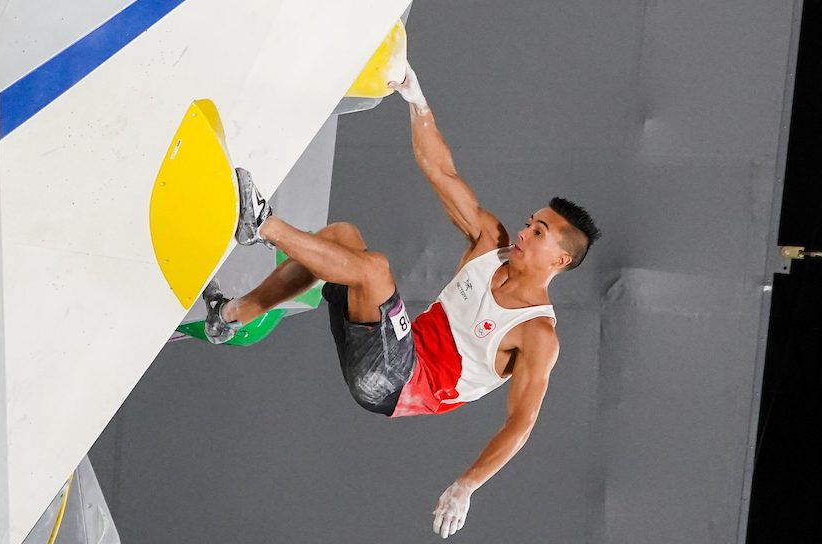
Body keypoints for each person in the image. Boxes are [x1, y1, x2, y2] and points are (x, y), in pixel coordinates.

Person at [202, 64, 601, 539]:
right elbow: (441, 170)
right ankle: (228, 317)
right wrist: (417, 100)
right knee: (342, 237)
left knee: (373, 269)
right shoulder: (488, 243)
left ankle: (260, 224)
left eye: (536, 232)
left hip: (398, 384)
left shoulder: (537, 333)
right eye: (529, 221)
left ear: (558, 260)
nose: (522, 231)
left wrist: (466, 486)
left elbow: (521, 422)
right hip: (391, 349)